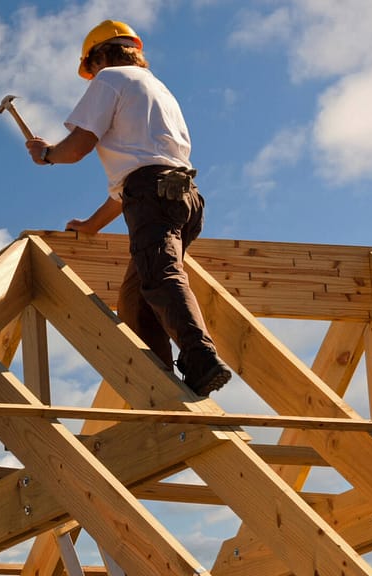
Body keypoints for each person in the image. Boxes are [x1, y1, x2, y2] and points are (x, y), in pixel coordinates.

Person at [25, 20, 231, 396]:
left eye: (92, 66)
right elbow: (132, 184)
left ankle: (200, 356)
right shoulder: (158, 90)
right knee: (135, 299)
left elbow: (79, 147)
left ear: (101, 56)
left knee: (161, 275)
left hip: (153, 195)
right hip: (183, 196)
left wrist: (48, 154)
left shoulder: (110, 80)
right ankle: (161, 386)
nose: (92, 76)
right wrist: (91, 225)